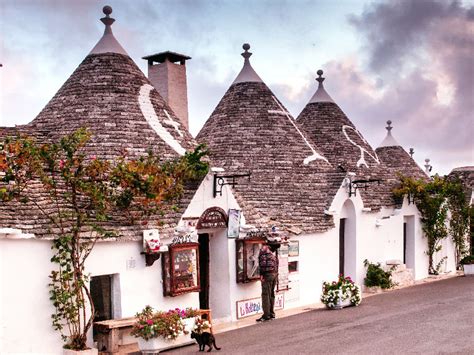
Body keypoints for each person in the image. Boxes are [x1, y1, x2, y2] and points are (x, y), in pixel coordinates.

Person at [256, 241, 279, 322]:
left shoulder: (263, 253)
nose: (262, 247)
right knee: (271, 294)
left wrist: (262, 275)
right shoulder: (272, 254)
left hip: (267, 275)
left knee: (265, 295)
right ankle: (271, 314)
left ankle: (266, 315)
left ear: (267, 246)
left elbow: (263, 265)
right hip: (274, 274)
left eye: (263, 245)